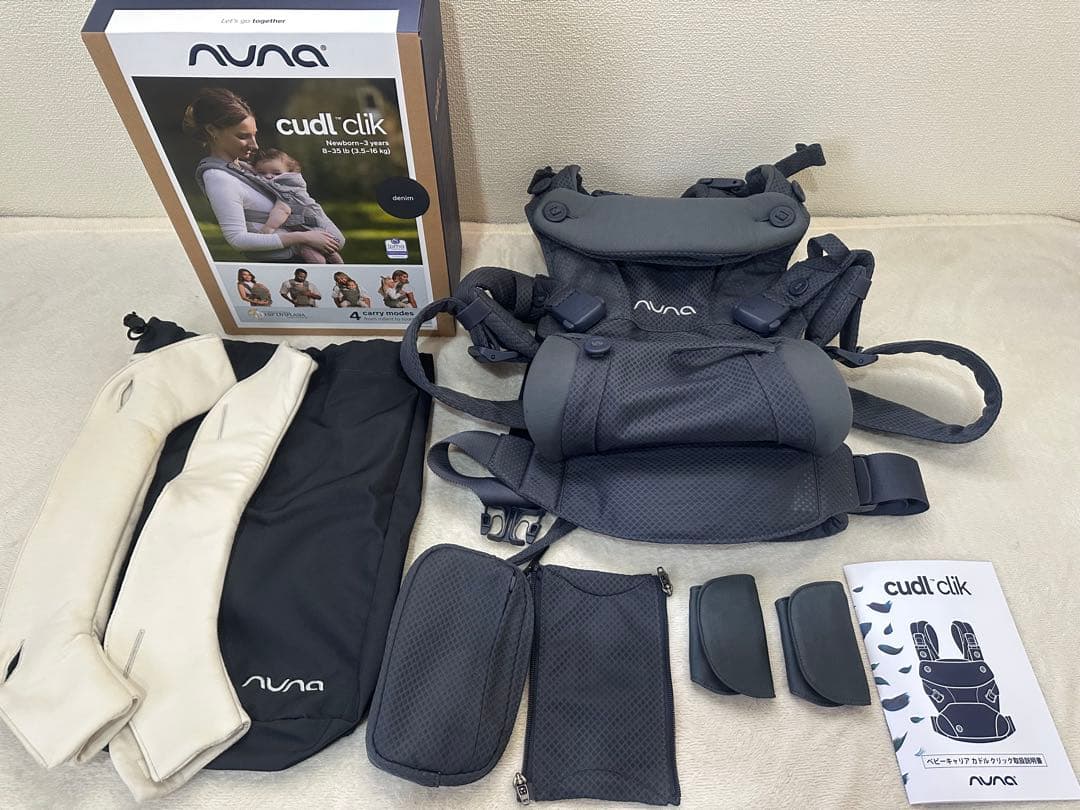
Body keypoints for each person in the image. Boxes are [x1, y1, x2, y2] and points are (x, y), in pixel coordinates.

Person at [184, 88, 343, 263]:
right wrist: (304, 237)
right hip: (285, 264)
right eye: (243, 136)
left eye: (254, 135)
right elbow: (238, 240)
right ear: (212, 130)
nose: (255, 145)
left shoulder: (245, 169)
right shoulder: (218, 177)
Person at [250, 148, 344, 265]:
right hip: (323, 233)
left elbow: (282, 210)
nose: (268, 176)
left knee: (306, 246)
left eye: (276, 173)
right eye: (262, 173)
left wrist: (267, 229)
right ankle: (335, 263)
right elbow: (252, 173)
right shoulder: (293, 183)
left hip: (323, 233)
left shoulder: (286, 189)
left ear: (289, 172)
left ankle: (316, 263)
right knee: (328, 253)